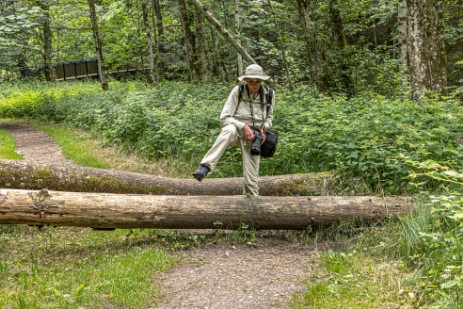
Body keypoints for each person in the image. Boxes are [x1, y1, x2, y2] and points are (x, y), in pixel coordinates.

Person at [192, 64, 275, 196]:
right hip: (236, 130)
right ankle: (205, 166)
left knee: (252, 181)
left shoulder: (269, 94)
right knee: (229, 129)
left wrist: (264, 129)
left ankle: (250, 209)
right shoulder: (238, 91)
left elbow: (269, 117)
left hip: (254, 138)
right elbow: (224, 117)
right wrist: (244, 126)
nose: (254, 85)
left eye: (257, 81)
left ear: (262, 81)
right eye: (250, 81)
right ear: (246, 81)